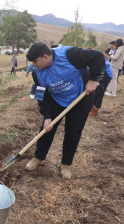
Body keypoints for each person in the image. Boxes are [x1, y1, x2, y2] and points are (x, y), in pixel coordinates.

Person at [25, 42, 105, 179]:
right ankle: (39, 157)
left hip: (80, 98)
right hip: (56, 99)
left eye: (35, 61)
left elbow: (97, 56)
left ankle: (66, 164)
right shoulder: (36, 73)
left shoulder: (70, 55)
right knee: (46, 128)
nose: (33, 64)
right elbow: (41, 95)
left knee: (73, 132)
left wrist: (93, 79)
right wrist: (47, 115)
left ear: (45, 57)